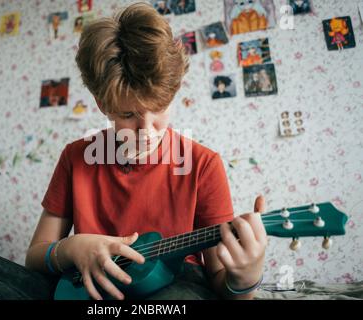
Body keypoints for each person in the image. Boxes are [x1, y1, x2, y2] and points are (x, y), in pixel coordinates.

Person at [26, 2, 267, 301]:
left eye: (159, 110)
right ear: (103, 106)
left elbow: (221, 284)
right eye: (128, 115)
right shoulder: (75, 157)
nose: (147, 132)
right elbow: (34, 257)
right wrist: (73, 248)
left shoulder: (204, 165)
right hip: (90, 289)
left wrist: (246, 278)